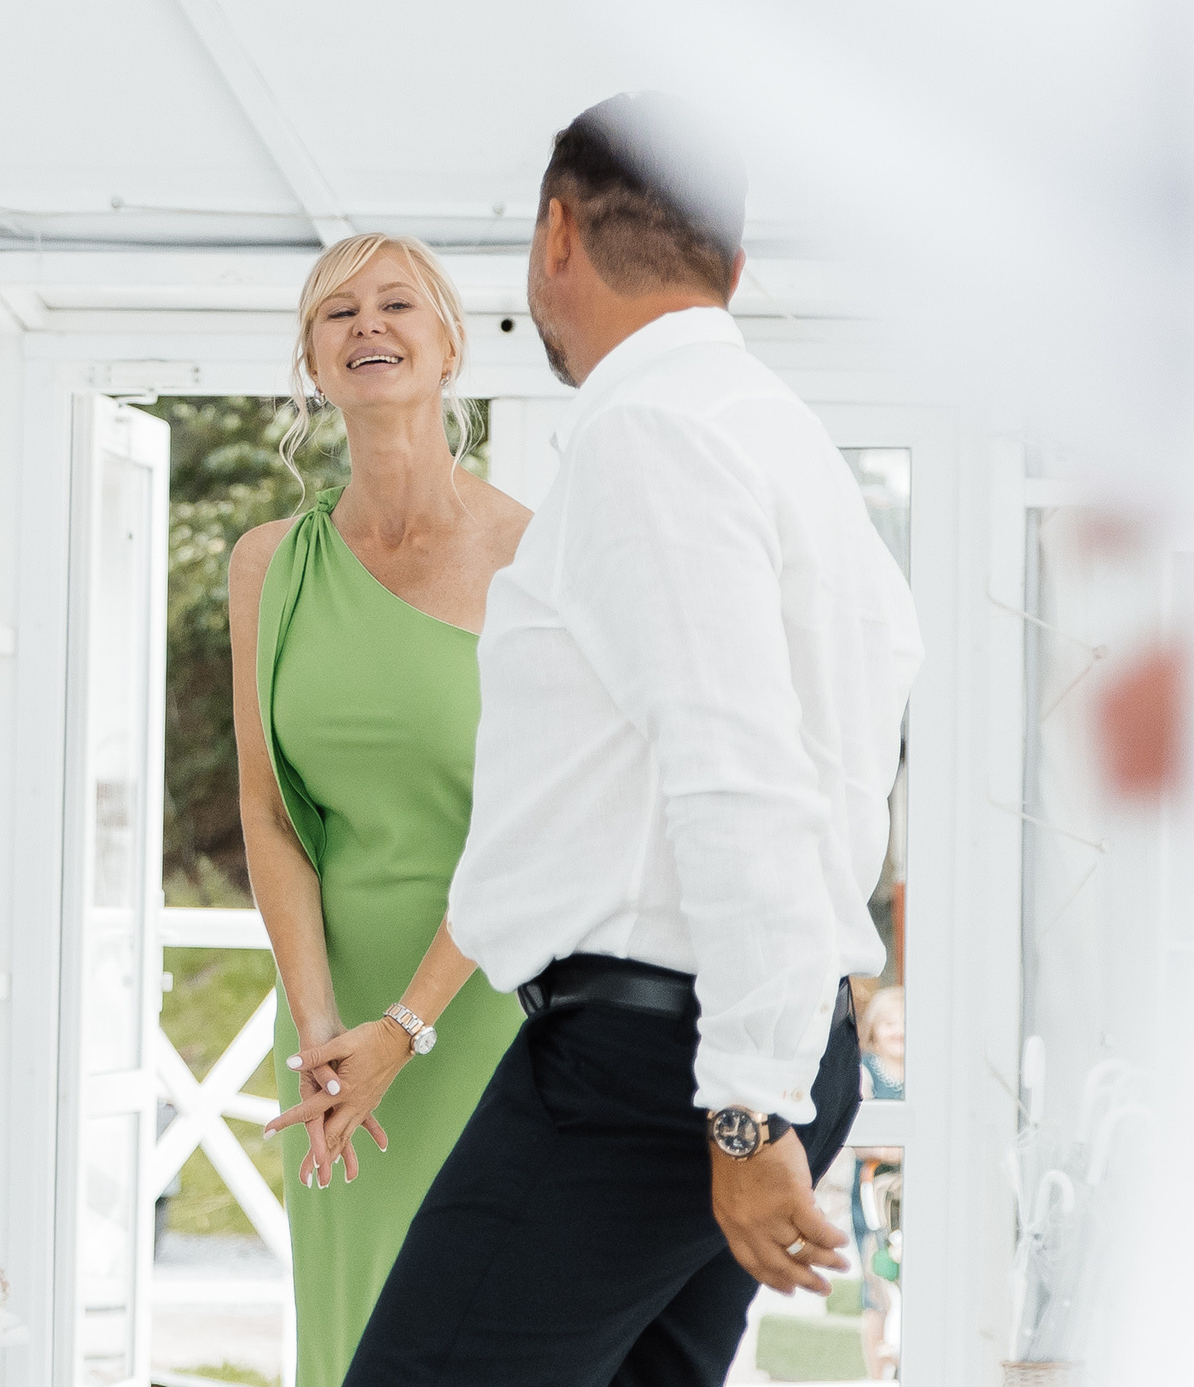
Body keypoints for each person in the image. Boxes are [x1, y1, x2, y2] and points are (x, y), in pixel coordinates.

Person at [345, 94, 922, 1386]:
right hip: (742, 1044)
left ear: (557, 232)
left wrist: (744, 1105)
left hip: (662, 1066)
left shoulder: (651, 433)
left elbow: (739, 776)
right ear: (733, 264)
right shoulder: (781, 439)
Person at [224, 232, 532, 1387]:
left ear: (448, 346)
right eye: (336, 311)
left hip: (492, 1008)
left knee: (490, 1337)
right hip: (332, 1021)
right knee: (353, 1338)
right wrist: (321, 1034)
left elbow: (539, 824)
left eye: (397, 303)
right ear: (311, 362)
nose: (367, 324)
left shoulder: (535, 556)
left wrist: (405, 1028)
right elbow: (267, 809)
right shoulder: (266, 564)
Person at [851, 986, 905, 1378]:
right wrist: (892, 1150)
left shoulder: (923, 1069)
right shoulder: (865, 1071)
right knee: (877, 1284)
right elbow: (856, 1135)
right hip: (875, 1196)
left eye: (905, 1023)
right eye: (889, 1023)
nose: (898, 1031)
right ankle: (876, 1376)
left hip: (913, 1194)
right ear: (874, 1029)